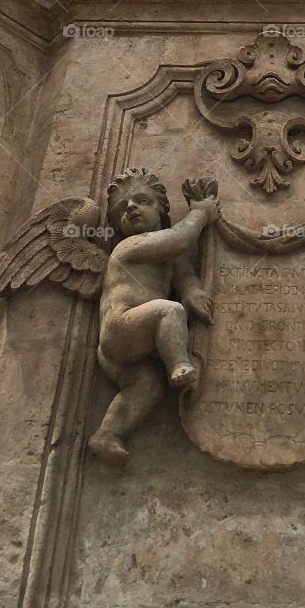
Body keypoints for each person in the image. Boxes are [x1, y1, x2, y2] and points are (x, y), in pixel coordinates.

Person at [88, 169, 217, 466]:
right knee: (169, 310)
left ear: (160, 207)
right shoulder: (128, 246)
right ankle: (179, 365)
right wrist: (201, 213)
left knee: (147, 387)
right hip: (121, 327)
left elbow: (183, 275)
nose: (131, 207)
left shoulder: (166, 256)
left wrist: (193, 292)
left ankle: (107, 434)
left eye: (141, 201)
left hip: (129, 348)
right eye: (122, 209)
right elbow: (180, 240)